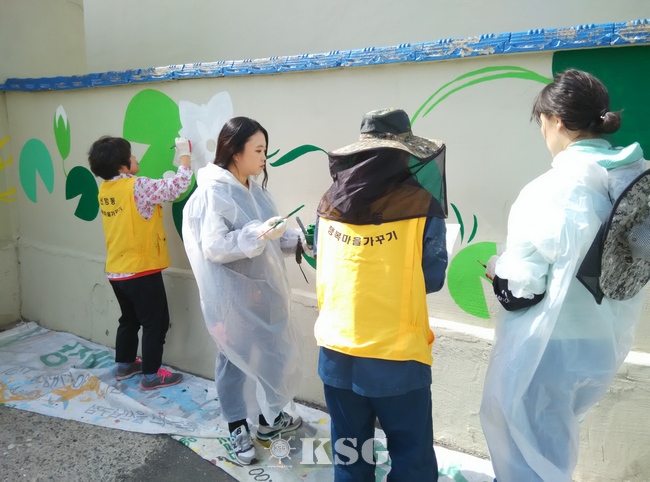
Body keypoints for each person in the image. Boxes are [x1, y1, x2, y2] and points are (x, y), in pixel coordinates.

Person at [480, 69, 647, 481]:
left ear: (556, 120)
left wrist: (498, 268)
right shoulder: (631, 179)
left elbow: (525, 283)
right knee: (556, 441)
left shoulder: (552, 189)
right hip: (602, 338)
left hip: (547, 343)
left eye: (541, 122)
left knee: (524, 451)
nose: (543, 132)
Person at [314, 108, 448, 481]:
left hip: (337, 354)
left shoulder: (329, 202)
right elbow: (432, 277)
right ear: (405, 155)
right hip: (397, 357)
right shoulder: (421, 205)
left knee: (350, 458)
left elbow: (325, 261)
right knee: (411, 460)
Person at [181, 116, 306, 465]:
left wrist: (298, 239)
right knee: (233, 359)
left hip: (264, 293)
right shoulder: (213, 192)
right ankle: (237, 426)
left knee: (271, 353)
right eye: (258, 150)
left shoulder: (257, 191)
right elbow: (214, 246)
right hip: (231, 297)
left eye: (265, 150)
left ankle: (269, 418)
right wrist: (256, 234)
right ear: (235, 152)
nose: (265, 157)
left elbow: (271, 239)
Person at [88, 136, 192, 390]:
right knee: (155, 322)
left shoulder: (105, 189)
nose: (135, 158)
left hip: (117, 270)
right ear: (122, 164)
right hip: (141, 270)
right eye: (132, 155)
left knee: (130, 319)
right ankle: (151, 376)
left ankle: (125, 365)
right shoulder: (138, 186)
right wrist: (185, 154)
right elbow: (177, 186)